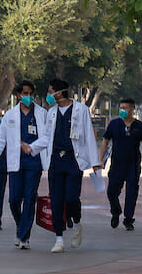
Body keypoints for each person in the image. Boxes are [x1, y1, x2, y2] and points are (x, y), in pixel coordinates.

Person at [41, 79, 101, 253]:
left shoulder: (80, 110)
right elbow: (46, 137)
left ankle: (77, 223)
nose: (48, 95)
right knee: (57, 201)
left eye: (50, 91)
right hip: (55, 161)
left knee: (71, 198)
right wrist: (32, 147)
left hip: (73, 160)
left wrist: (95, 162)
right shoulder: (51, 113)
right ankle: (59, 239)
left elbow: (89, 136)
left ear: (58, 93)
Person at [0, 81, 48, 249]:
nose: (28, 97)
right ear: (18, 96)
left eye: (30, 94)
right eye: (25, 94)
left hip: (33, 161)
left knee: (29, 198)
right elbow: (1, 138)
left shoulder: (41, 114)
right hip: (15, 162)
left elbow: (47, 136)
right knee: (14, 199)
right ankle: (20, 224)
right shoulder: (10, 115)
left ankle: (24, 236)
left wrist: (32, 147)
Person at [99, 97, 142, 231]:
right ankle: (115, 211)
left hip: (133, 164)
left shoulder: (139, 126)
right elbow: (105, 141)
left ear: (132, 109)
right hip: (117, 163)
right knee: (112, 191)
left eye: (126, 108)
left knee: (132, 192)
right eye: (121, 108)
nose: (122, 110)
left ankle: (128, 219)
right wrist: (100, 159)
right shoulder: (114, 124)